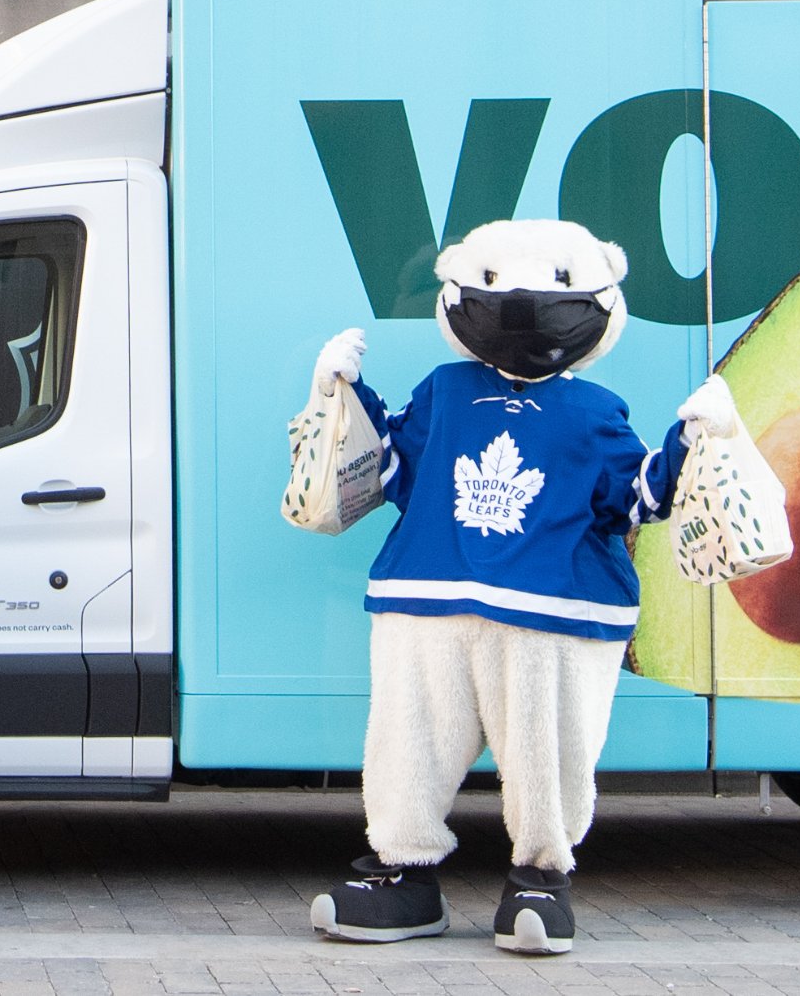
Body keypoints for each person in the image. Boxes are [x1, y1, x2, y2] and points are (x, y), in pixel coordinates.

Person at [301, 218, 753, 957]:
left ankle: (541, 876)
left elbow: (634, 497)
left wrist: (690, 439)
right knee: (407, 741)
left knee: (548, 750)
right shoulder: (443, 391)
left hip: (549, 612)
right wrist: (342, 393)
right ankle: (401, 874)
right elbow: (386, 468)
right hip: (429, 601)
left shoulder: (594, 410)